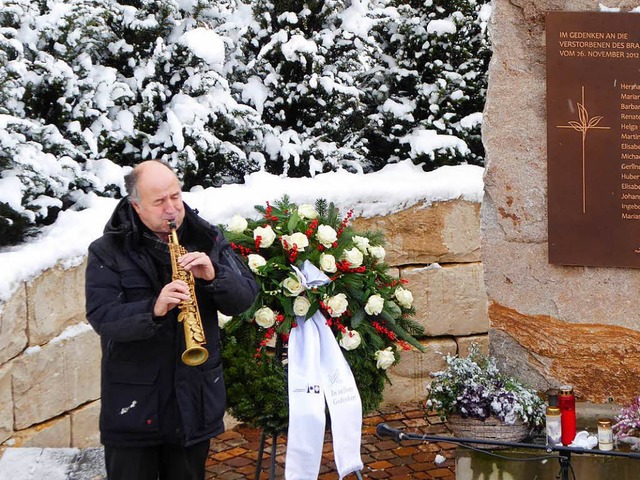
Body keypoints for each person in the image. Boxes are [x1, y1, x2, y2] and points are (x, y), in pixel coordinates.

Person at [85, 160, 259, 480]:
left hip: (192, 404)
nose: (171, 209)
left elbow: (246, 298)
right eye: (159, 201)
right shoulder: (107, 251)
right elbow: (102, 317)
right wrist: (154, 308)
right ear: (136, 207)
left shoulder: (206, 238)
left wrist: (214, 276)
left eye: (176, 197)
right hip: (134, 410)